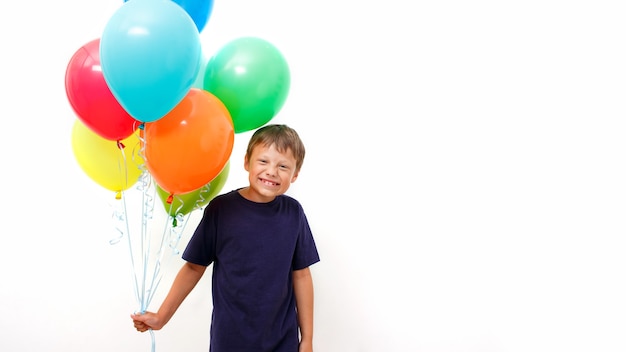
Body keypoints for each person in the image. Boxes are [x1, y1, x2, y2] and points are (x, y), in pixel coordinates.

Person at [131, 124, 320, 352]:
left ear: (295, 174)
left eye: (283, 166)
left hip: (282, 341)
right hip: (230, 341)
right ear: (246, 162)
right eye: (263, 161)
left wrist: (307, 339)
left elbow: (301, 275)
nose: (271, 171)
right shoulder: (221, 210)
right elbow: (193, 268)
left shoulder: (293, 213)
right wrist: (161, 317)